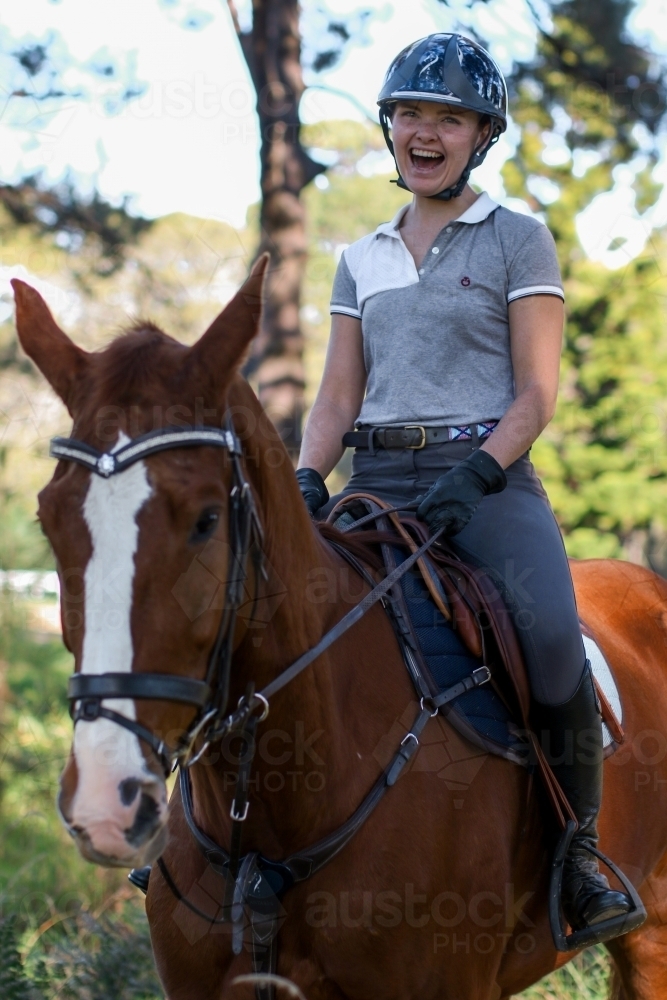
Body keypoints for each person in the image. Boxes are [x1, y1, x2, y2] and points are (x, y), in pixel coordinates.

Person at [296, 33, 632, 937]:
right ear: (390, 127)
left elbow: (536, 392)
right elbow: (336, 394)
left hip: (485, 484)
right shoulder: (359, 255)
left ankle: (578, 858)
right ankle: (214, 846)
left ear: (480, 135)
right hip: (374, 479)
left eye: (448, 116)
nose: (425, 131)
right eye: (410, 113)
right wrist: (304, 478)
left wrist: (480, 470)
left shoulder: (517, 237)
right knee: (258, 621)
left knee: (553, 642)